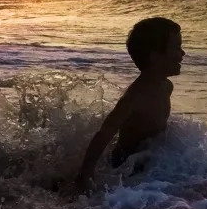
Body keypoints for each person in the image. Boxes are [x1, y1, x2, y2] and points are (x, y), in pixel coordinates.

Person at [75, 17, 185, 192]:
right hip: (125, 167)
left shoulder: (166, 86)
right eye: (177, 47)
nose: (183, 53)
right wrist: (86, 174)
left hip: (151, 160)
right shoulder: (134, 97)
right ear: (155, 57)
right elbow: (105, 132)